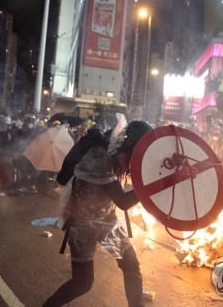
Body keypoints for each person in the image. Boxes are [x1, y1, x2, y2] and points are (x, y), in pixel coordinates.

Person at [44, 121, 152, 307]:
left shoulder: (117, 153)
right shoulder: (100, 157)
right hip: (82, 223)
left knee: (131, 266)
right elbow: (123, 202)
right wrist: (152, 187)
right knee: (83, 283)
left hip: (106, 219)